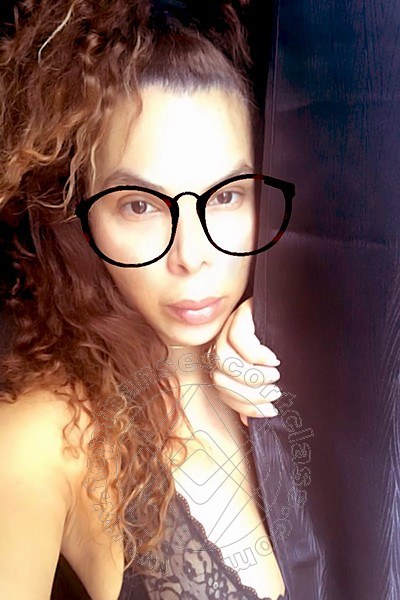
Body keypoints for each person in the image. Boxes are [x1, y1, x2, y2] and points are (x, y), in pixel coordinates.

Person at [0, 1, 293, 598]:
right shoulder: (43, 437)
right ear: (81, 218)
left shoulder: (313, 360)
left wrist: (280, 310)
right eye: (139, 205)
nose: (192, 255)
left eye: (227, 196)